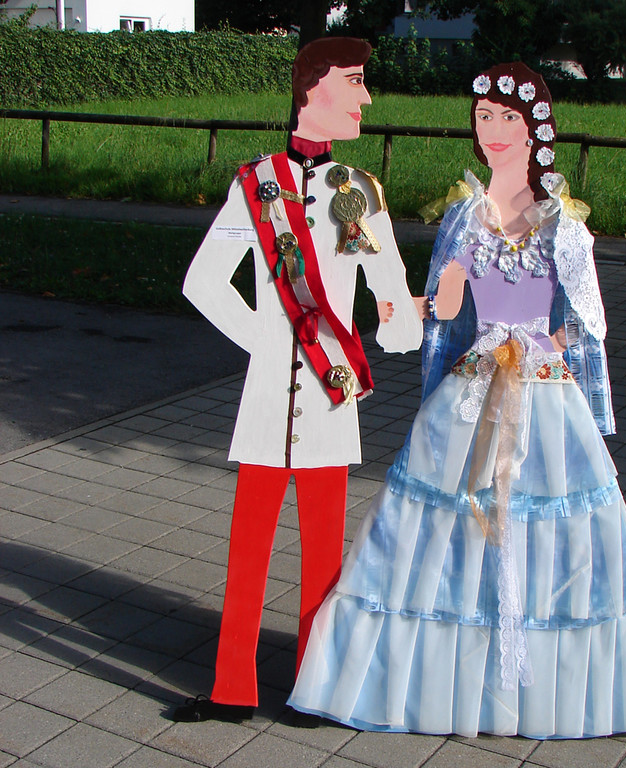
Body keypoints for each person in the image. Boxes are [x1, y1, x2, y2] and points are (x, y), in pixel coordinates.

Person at [288, 62, 626, 739]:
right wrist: (386, 302)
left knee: (547, 525)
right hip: (472, 385)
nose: (491, 130)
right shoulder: (465, 216)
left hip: (542, 394)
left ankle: (533, 687)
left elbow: (588, 319)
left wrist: (539, 344)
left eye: (506, 118)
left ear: (536, 128)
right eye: (483, 117)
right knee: (440, 522)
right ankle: (431, 683)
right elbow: (447, 307)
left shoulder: (563, 225)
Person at [173, 37, 422, 723]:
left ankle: (313, 690)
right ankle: (231, 691)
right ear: (314, 86)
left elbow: (391, 297)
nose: (366, 96)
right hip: (265, 404)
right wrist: (266, 338)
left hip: (329, 397)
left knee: (324, 558)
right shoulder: (254, 184)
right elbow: (204, 282)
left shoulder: (359, 191)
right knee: (247, 552)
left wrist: (411, 317)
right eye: (355, 80)